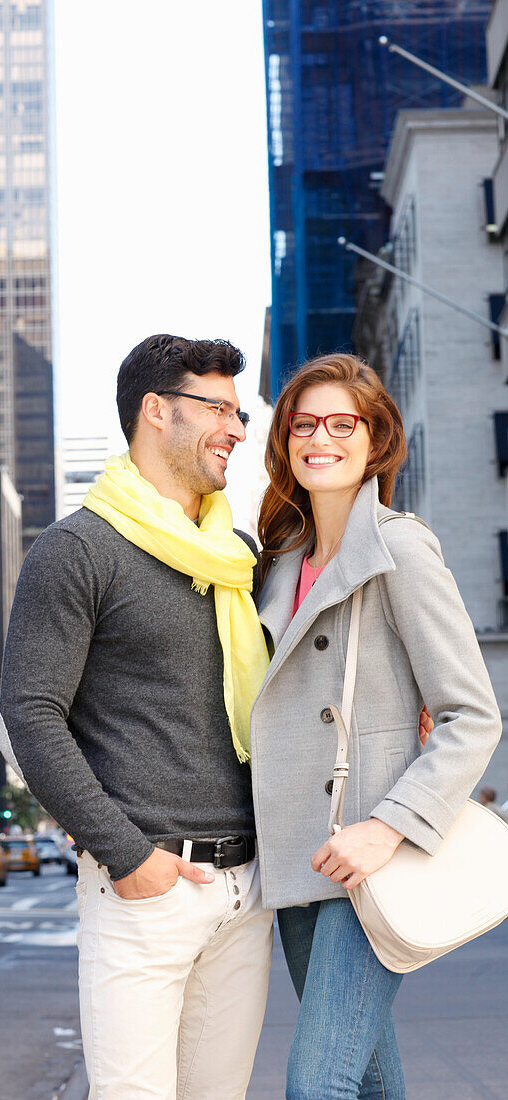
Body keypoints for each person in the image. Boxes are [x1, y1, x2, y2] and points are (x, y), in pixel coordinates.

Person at [0, 334, 274, 1099]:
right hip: (145, 885)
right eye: (216, 408)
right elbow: (30, 710)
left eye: (239, 411)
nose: (237, 430)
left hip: (245, 887)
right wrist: (126, 856)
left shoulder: (238, 554)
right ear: (156, 411)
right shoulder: (76, 549)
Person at [252, 353, 502, 1099]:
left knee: (316, 1083)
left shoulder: (397, 546)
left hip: (368, 851)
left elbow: (470, 715)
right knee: (364, 1080)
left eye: (340, 423)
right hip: (301, 852)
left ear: (375, 439)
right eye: (303, 424)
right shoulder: (279, 560)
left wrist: (386, 827)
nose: (318, 438)